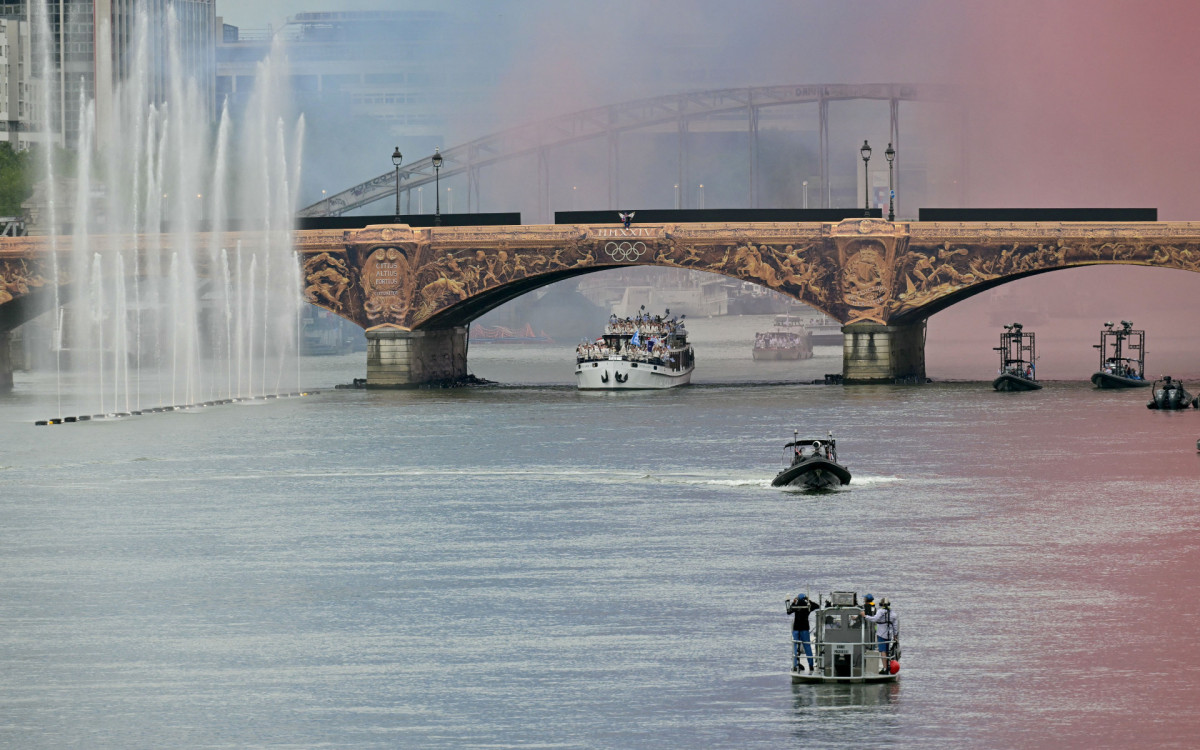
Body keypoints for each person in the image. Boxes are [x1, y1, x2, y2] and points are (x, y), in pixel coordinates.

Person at [786, 593, 820, 672]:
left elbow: (788, 611)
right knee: (807, 647)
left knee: (795, 647)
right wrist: (809, 600)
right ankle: (811, 665)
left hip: (796, 629)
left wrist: (793, 602)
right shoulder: (807, 606)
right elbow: (817, 606)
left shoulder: (796, 606)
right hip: (804, 629)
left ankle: (795, 665)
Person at [864, 598, 899, 673]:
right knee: (887, 650)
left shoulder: (880, 611)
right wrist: (895, 635)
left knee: (883, 651)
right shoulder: (893, 614)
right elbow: (895, 626)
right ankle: (888, 665)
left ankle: (885, 668)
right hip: (889, 634)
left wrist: (865, 616)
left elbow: (874, 619)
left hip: (881, 634)